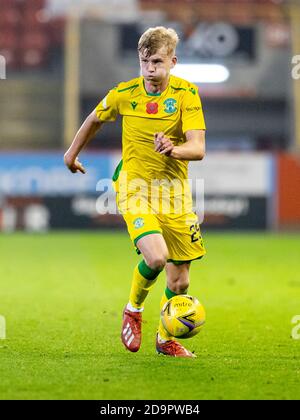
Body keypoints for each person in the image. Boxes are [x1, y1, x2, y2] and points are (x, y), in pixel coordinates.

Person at [64, 26, 206, 358]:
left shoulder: (187, 94)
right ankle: (134, 309)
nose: (150, 69)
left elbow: (197, 148)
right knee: (156, 257)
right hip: (134, 185)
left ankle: (164, 337)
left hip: (173, 192)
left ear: (173, 60)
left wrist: (173, 149)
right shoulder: (124, 93)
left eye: (157, 61)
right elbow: (94, 118)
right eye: (144, 61)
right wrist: (71, 153)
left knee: (180, 281)